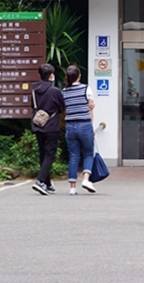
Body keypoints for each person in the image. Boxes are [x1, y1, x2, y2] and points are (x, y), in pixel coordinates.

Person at [30, 63, 65, 196]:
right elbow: (62, 108)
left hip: (38, 124)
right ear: (51, 75)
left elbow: (32, 106)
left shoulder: (34, 90)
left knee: (43, 154)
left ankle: (47, 184)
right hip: (51, 125)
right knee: (50, 155)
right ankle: (39, 182)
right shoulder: (55, 91)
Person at [61, 64, 97, 195]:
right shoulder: (86, 88)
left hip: (70, 126)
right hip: (85, 124)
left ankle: (72, 188)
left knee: (73, 156)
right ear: (79, 76)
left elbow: (64, 109)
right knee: (88, 153)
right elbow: (91, 108)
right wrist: (91, 125)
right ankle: (86, 179)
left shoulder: (64, 91)